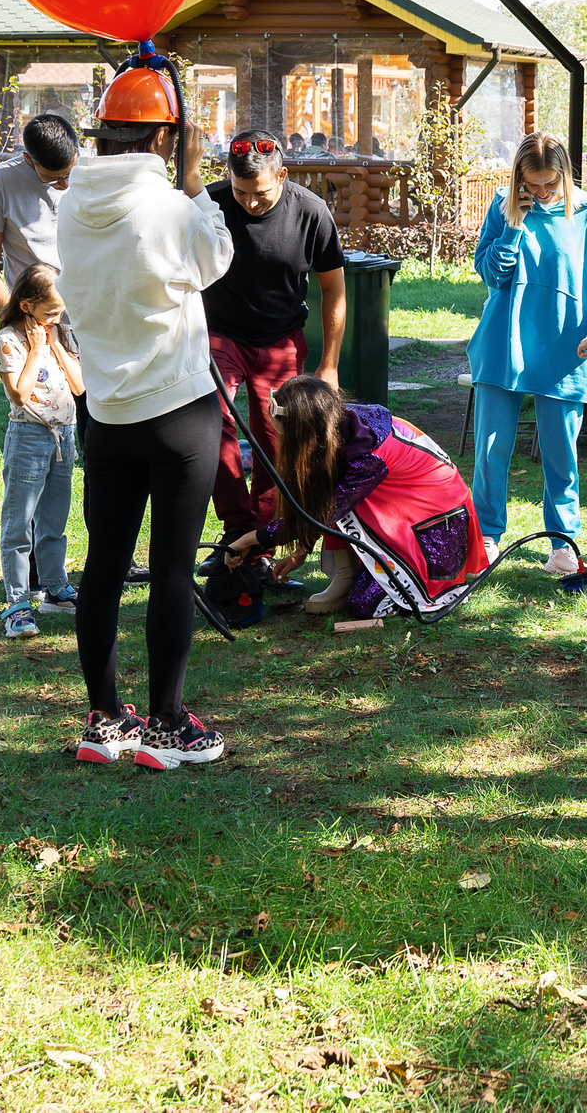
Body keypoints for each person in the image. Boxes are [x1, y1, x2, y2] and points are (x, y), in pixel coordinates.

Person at [58, 64, 234, 772]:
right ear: (167, 135)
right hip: (178, 407)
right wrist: (196, 183)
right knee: (169, 568)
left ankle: (105, 719)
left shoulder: (73, 202)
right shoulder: (168, 203)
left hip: (106, 411)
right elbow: (215, 258)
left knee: (103, 565)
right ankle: (167, 726)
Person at [469, 134, 587, 575]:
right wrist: (514, 225)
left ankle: (563, 544)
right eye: (531, 185)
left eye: (549, 184)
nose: (541, 194)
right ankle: (488, 537)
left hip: (565, 352)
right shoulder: (503, 208)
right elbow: (491, 276)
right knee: (490, 453)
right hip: (503, 347)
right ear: (519, 179)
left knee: (561, 456)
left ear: (565, 175)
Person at [222, 377, 487, 620]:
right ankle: (350, 574)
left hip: (436, 535)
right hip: (414, 515)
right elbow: (329, 503)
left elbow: (325, 511)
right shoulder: (343, 422)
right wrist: (302, 548)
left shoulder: (367, 456)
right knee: (341, 504)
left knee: (364, 605)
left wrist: (247, 539)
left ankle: (395, 582)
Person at [203, 132, 347, 548]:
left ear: (282, 175)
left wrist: (330, 364)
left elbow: (334, 290)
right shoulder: (209, 205)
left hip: (280, 338)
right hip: (220, 334)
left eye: (260, 194)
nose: (249, 203)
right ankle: (237, 528)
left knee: (277, 439)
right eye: (240, 192)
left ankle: (259, 541)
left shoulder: (311, 212)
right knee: (214, 422)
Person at [0, 263, 84, 639]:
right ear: (27, 305)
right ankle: (17, 604)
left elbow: (79, 387)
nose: (57, 317)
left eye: (61, 310)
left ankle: (55, 589)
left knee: (55, 521)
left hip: (64, 435)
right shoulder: (10, 339)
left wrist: (57, 345)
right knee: (19, 525)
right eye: (51, 312)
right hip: (28, 437)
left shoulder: (60, 333)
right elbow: (19, 393)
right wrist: (37, 351)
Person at [0, 114, 80, 317]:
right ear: (28, 159)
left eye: (69, 174)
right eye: (52, 179)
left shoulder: (94, 169)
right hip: (34, 316)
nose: (65, 185)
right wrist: (13, 320)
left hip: (90, 315)